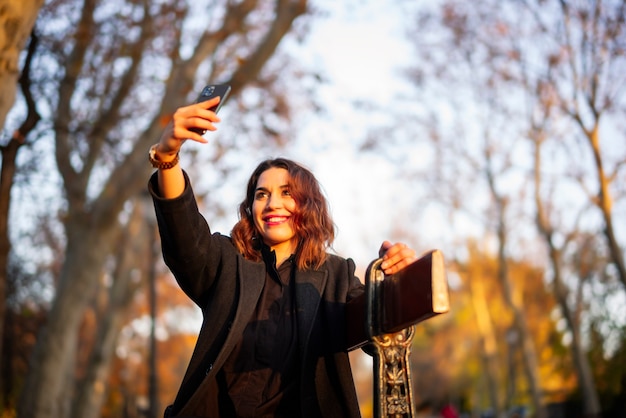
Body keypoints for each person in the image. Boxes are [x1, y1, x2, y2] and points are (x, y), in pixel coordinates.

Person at [148, 95, 418, 417]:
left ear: (308, 205)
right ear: (251, 208)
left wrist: (397, 284)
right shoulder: (226, 261)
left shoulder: (337, 275)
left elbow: (381, 334)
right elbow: (185, 237)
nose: (273, 203)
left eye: (287, 193)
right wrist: (168, 157)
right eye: (262, 194)